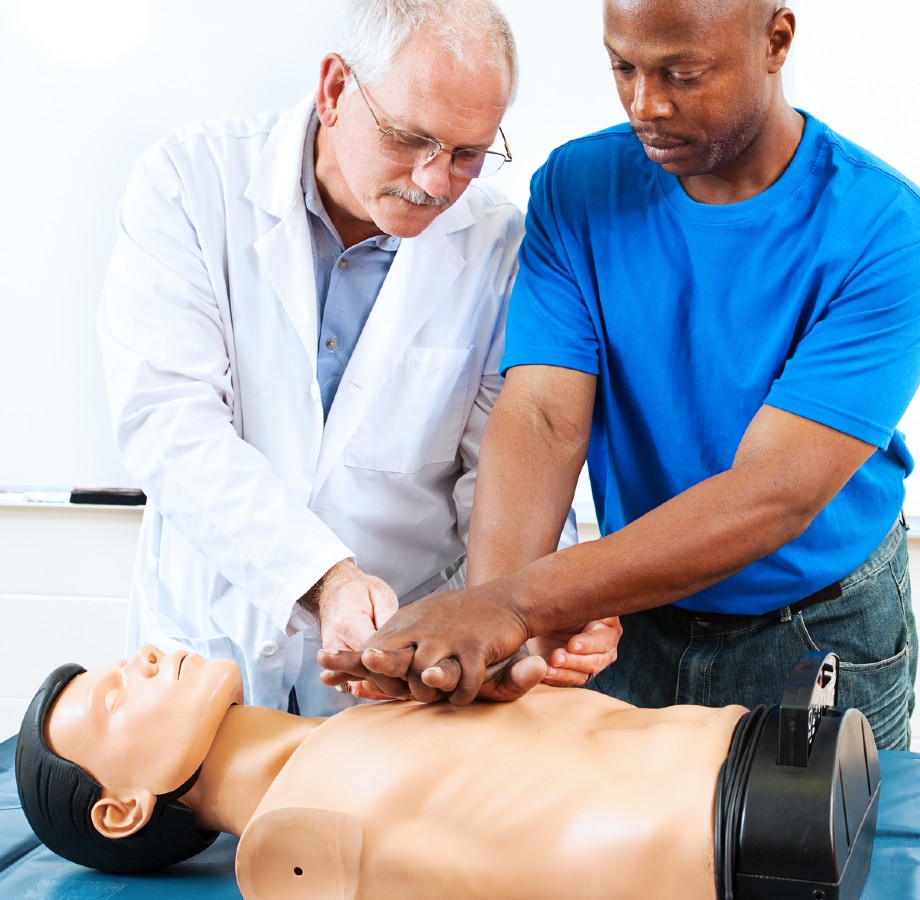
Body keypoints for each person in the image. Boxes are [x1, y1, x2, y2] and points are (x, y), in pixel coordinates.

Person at [326, 0, 920, 751]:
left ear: (775, 41)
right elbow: (544, 420)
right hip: (629, 617)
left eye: (683, 74)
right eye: (623, 67)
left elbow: (773, 494)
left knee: (814, 865)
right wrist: (499, 633)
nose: (646, 104)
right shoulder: (578, 188)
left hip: (816, 628)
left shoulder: (886, 230)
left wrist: (515, 604)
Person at [97, 0, 618, 717]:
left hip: (400, 675)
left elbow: (502, 471)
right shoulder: (191, 183)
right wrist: (324, 578)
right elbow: (168, 424)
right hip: (211, 647)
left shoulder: (499, 243)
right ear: (336, 89)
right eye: (410, 139)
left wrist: (531, 609)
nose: (435, 181)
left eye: (468, 154)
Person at [14, 646, 879, 899]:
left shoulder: (352, 727)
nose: (148, 657)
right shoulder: (289, 851)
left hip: (766, 752)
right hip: (749, 833)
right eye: (114, 702)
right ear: (122, 810)